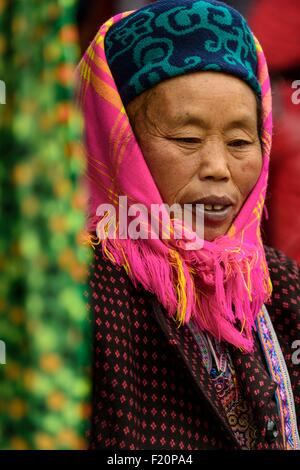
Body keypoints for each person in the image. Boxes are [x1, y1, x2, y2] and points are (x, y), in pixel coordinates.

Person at [77, 0, 300, 450]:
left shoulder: (280, 285)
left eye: (241, 140)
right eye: (186, 139)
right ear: (118, 141)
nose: (219, 168)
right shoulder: (76, 291)